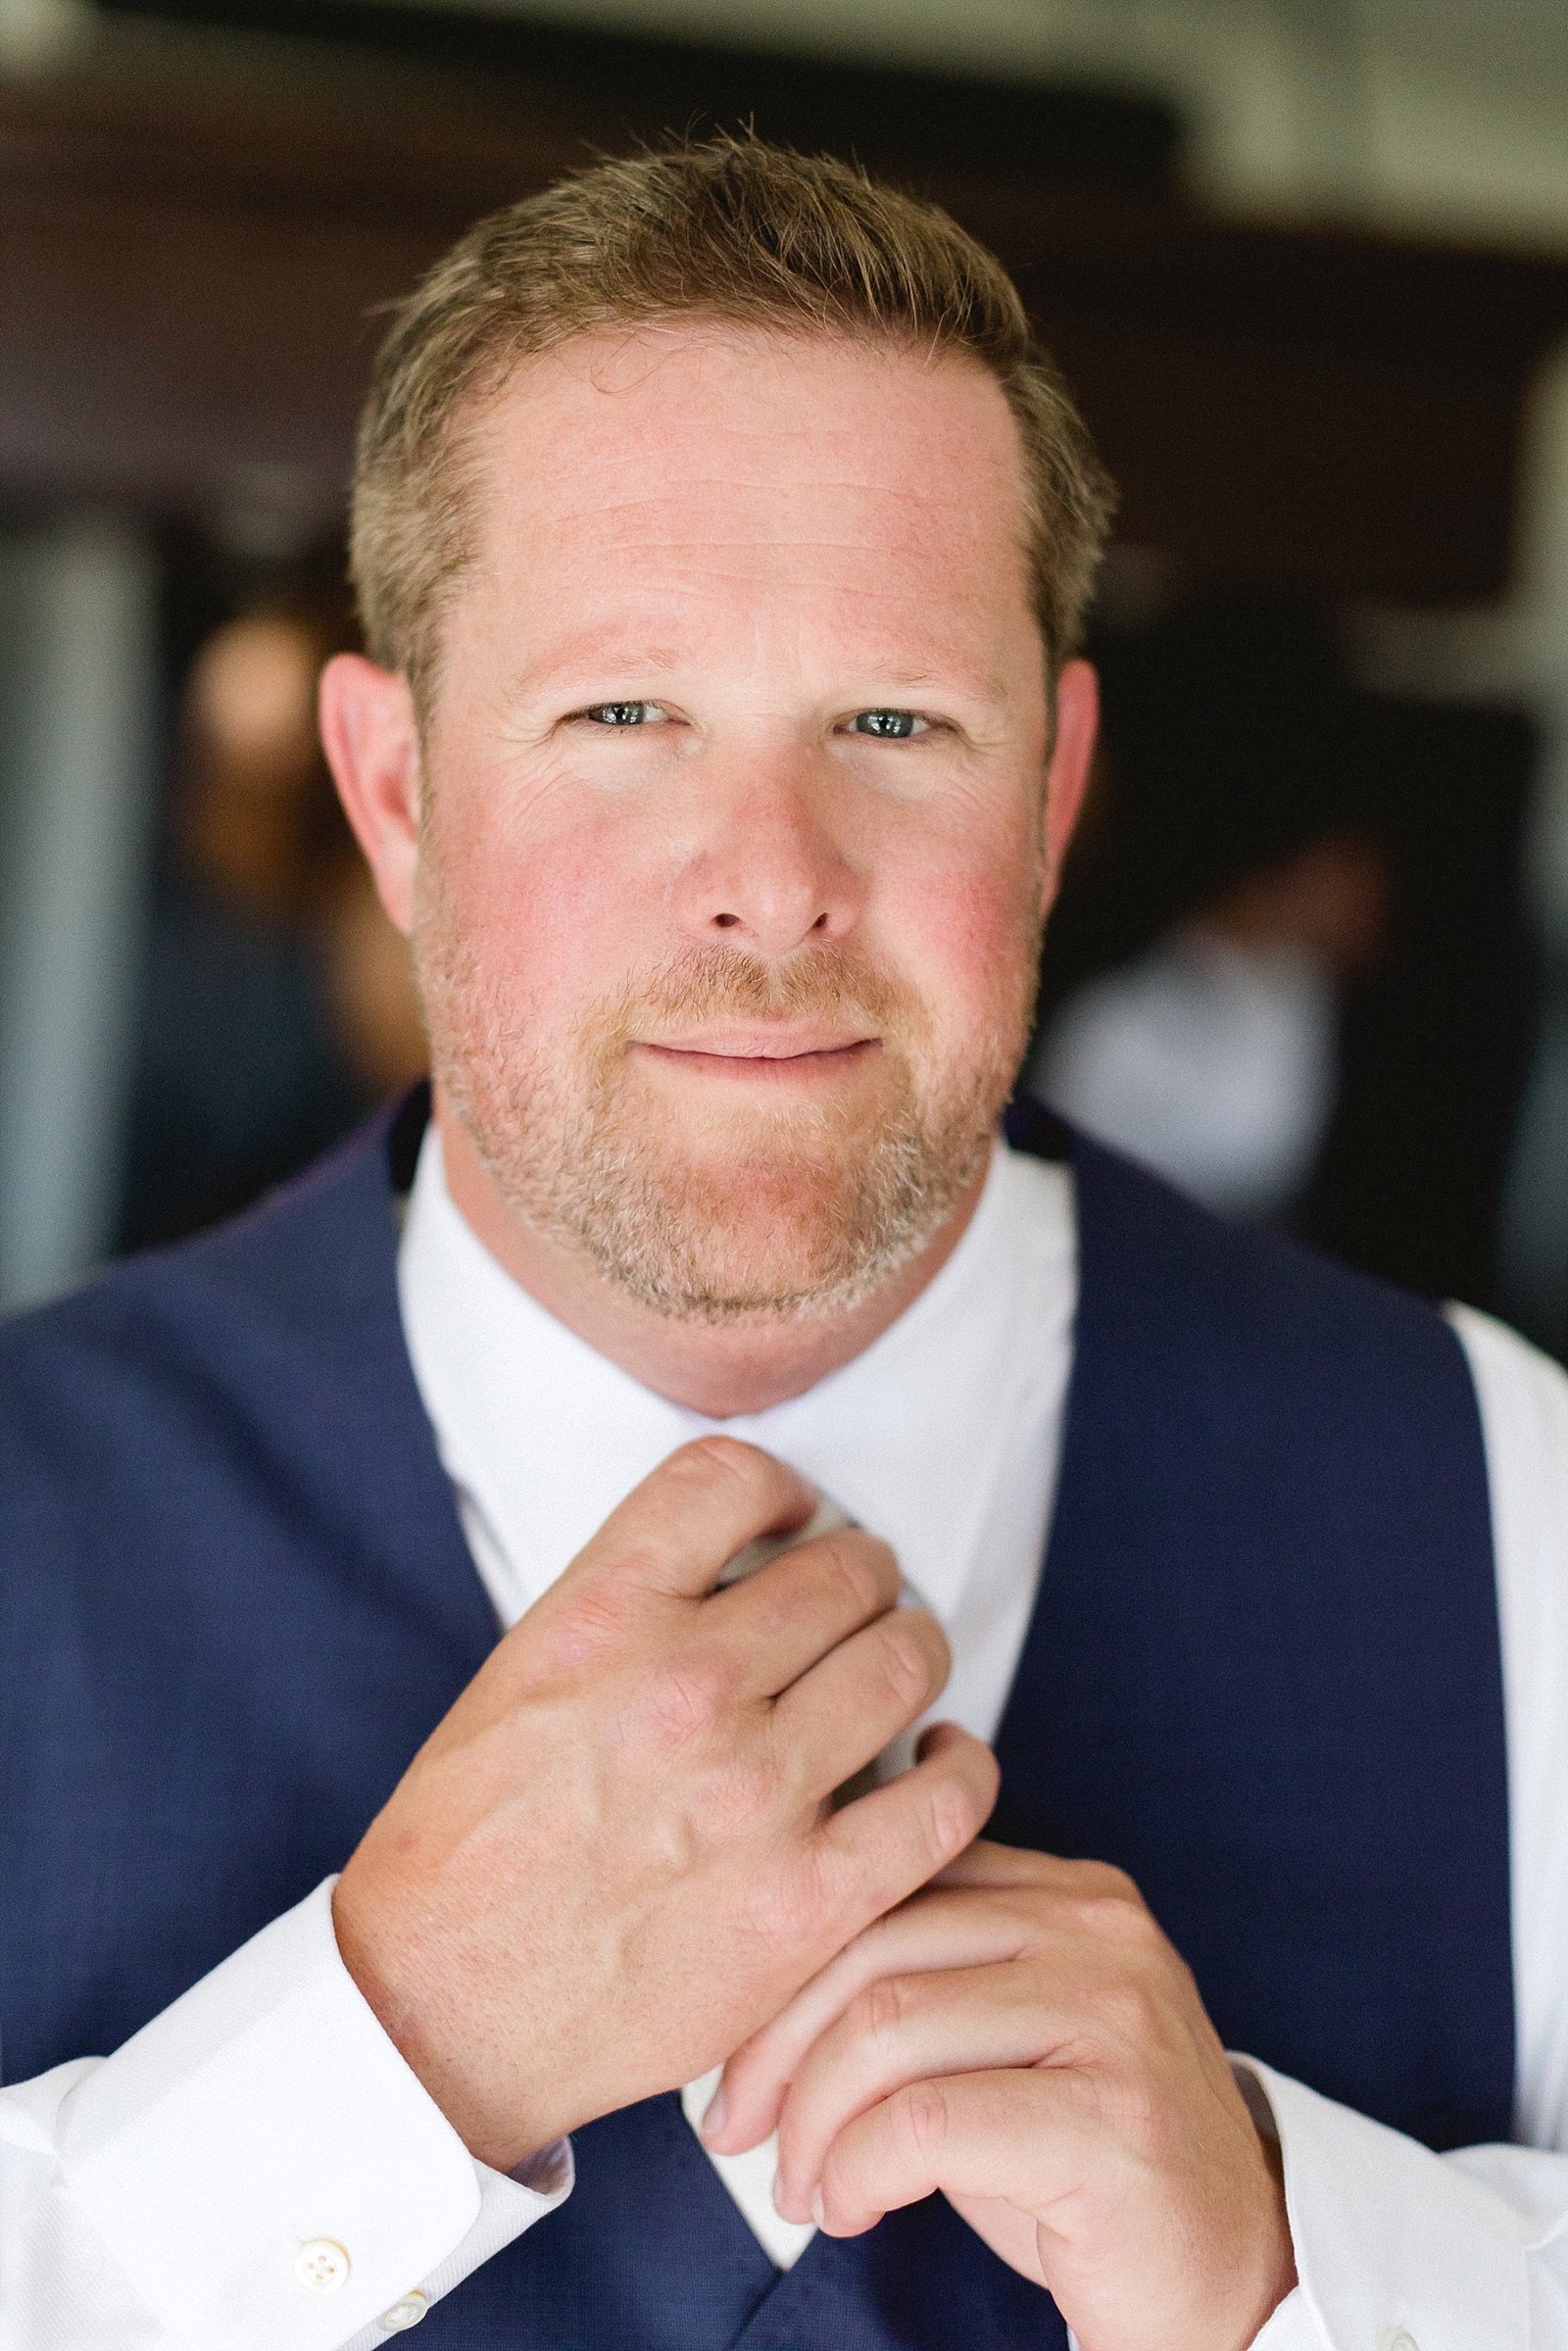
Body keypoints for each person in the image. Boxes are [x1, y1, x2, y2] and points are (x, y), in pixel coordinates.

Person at [1, 135, 1565, 2351]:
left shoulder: (1512, 1507)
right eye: (622, 715)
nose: (767, 879)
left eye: (894, 722)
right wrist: (370, 2072)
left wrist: (1302, 2275)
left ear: (1047, 798)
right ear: (398, 798)